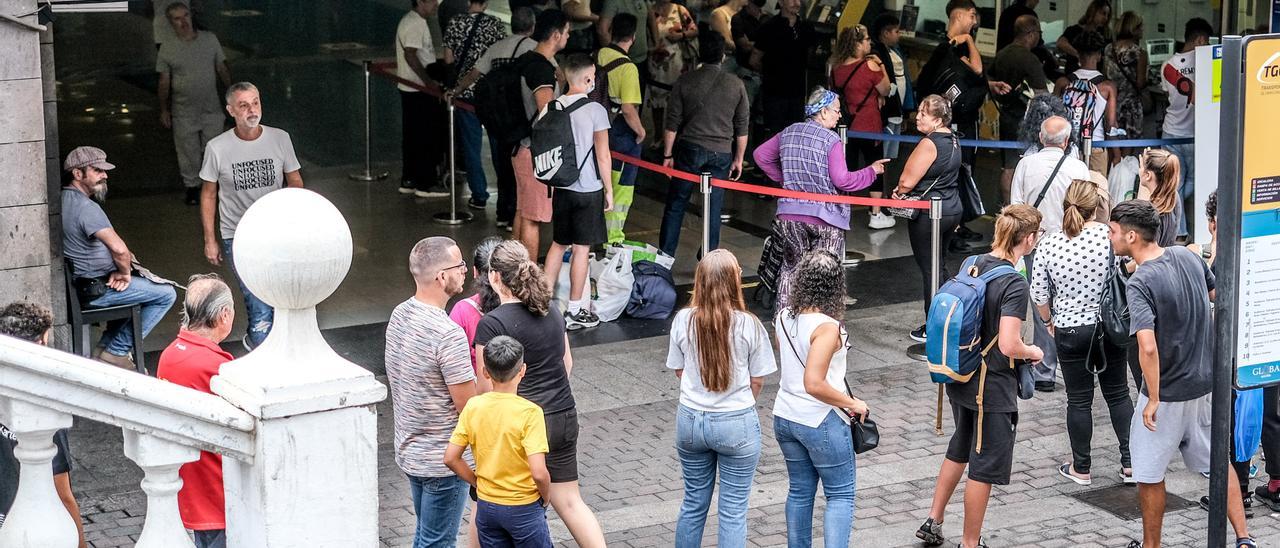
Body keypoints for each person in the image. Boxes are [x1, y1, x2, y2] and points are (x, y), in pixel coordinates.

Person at [1108, 200, 1255, 548]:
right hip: (1203, 385)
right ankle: (1244, 538)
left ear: (1131, 235)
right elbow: (1217, 294)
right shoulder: (1187, 256)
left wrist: (1153, 397)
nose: (1109, 236)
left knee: (1147, 472)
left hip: (1168, 392)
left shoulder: (1141, 281)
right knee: (1218, 464)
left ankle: (1151, 545)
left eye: (1113, 231)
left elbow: (1146, 346)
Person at [916, 205, 1045, 548]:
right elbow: (1008, 343)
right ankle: (970, 543)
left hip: (961, 375)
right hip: (991, 385)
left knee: (960, 444)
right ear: (1028, 238)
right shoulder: (1014, 283)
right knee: (984, 462)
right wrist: (1034, 352)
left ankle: (934, 518)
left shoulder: (971, 264)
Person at [474, 241, 606, 548]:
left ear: (494, 277)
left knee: (489, 502)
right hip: (562, 415)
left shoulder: (492, 324)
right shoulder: (552, 311)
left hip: (520, 425)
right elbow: (567, 364)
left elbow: (485, 389)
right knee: (571, 502)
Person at [667, 250, 776, 548]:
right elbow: (758, 379)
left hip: (690, 420)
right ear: (734, 281)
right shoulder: (749, 324)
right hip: (736, 422)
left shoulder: (683, 319)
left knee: (693, 503)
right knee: (732, 511)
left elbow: (679, 369)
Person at [1030, 181, 1133, 486]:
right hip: (1108, 325)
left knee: (1078, 399)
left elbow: (1039, 293)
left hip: (1069, 328)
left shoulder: (1049, 243)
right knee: (1117, 394)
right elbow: (1128, 270)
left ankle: (1082, 467)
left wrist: (1048, 321)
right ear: (1096, 205)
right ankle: (1130, 464)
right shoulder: (1107, 236)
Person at [752, 89, 889, 311]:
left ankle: (785, 320)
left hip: (790, 215)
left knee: (790, 268)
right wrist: (871, 171)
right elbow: (842, 180)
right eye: (836, 110)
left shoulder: (789, 132)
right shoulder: (831, 140)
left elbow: (760, 156)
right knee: (826, 272)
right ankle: (823, 322)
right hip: (826, 218)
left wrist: (783, 178)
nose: (840, 115)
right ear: (823, 112)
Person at [384, 236, 479, 548]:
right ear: (442, 277)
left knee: (426, 537)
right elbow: (469, 407)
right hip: (444, 461)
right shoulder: (448, 334)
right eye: (459, 265)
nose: (465, 270)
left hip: (411, 451)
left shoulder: (399, 315)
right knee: (437, 543)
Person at [773, 250, 870, 548]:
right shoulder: (828, 329)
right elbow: (814, 383)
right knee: (840, 494)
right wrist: (853, 404)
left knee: (800, 492)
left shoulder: (783, 318)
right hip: (820, 420)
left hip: (786, 416)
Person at [199, 82, 303, 351]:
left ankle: (272, 347)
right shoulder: (217, 147)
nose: (251, 109)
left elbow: (295, 181)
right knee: (257, 301)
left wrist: (293, 219)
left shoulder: (280, 138)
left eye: (255, 102)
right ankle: (261, 346)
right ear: (230, 110)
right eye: (243, 105)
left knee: (281, 294)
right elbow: (209, 194)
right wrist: (210, 239)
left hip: (276, 232)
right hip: (238, 234)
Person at [62, 146, 177, 370]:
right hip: (95, 289)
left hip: (85, 286)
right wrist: (124, 273)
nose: (105, 176)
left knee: (140, 291)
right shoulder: (86, 208)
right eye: (97, 170)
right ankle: (116, 352)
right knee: (165, 294)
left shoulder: (63, 200)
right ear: (77, 174)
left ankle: (103, 349)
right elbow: (120, 250)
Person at [444, 337, 553, 548]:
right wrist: (546, 497)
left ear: (485, 372)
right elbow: (539, 472)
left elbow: (450, 458)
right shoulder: (530, 413)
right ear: (522, 370)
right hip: (524, 506)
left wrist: (478, 483)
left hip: (487, 507)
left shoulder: (474, 406)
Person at [156, 274, 237, 548]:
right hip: (217, 490)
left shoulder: (169, 355)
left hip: (191, 484)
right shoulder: (217, 366)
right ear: (224, 315)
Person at [0, 302, 87, 547]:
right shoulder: (43, 408)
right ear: (40, 344)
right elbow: (63, 493)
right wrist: (81, 543)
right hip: (32, 526)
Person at [539, 54, 615, 331]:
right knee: (581, 249)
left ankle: (542, 305)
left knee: (558, 244)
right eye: (593, 75)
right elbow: (603, 155)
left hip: (561, 186)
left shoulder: (551, 107)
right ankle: (574, 311)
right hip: (587, 189)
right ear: (585, 79)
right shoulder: (596, 110)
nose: (595, 79)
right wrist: (609, 190)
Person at [659, 33, 750, 257]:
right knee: (713, 207)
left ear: (700, 53)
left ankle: (666, 255)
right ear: (722, 55)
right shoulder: (736, 85)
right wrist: (738, 159)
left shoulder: (685, 81)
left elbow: (672, 123)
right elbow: (742, 127)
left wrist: (667, 155)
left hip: (689, 149)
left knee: (676, 203)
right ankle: (708, 255)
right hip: (721, 153)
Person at [452, 7, 538, 231]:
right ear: (532, 26)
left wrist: (456, 90)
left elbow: (474, 73)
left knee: (503, 163)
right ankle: (517, 214)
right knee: (521, 167)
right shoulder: (534, 49)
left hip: (500, 117)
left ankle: (503, 212)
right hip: (524, 118)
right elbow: (554, 76)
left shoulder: (497, 48)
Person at [889, 96, 962, 342]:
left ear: (938, 119)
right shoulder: (953, 139)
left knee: (930, 269)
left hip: (930, 213)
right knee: (939, 266)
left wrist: (899, 193)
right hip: (951, 209)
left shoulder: (929, 143)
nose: (917, 116)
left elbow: (906, 182)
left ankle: (936, 326)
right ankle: (949, 318)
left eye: (924, 112)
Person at [156, 1, 232, 206]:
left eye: (185, 16)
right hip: (183, 109)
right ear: (170, 22)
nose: (183, 22)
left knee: (214, 147)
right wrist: (164, 109)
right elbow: (164, 81)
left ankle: (213, 185)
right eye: (177, 18)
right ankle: (192, 186)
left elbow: (221, 68)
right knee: (187, 149)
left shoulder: (209, 40)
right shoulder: (168, 48)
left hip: (211, 107)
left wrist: (233, 95)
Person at [512, 10, 571, 259]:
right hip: (535, 152)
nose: (568, 37)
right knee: (534, 217)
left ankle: (510, 268)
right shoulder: (541, 70)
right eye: (567, 32)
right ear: (556, 35)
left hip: (521, 146)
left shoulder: (528, 60)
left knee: (523, 211)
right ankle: (527, 276)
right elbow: (547, 114)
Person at [443, 0, 507, 210]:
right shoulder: (496, 24)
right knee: (498, 146)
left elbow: (448, 59)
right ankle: (505, 194)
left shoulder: (455, 23)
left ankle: (479, 194)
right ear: (486, 3)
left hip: (465, 92)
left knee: (471, 147)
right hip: (490, 94)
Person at [829, 25, 892, 228]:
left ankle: (841, 208)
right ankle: (875, 213)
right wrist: (881, 63)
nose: (869, 42)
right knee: (876, 166)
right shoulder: (870, 66)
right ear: (857, 43)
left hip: (846, 127)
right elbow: (887, 88)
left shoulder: (836, 67)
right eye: (865, 39)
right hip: (870, 125)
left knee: (846, 167)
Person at [990, 15, 1051, 204]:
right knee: (1026, 166)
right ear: (1031, 34)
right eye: (1038, 33)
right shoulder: (1030, 60)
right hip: (1027, 120)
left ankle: (1006, 208)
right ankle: (1021, 209)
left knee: (1008, 167)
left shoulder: (1002, 54)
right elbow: (1042, 95)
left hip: (1005, 115)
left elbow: (989, 80)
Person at [1160, 17, 1212, 239]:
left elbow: (1166, 94)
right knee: (1193, 181)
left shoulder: (1168, 65)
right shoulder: (1206, 63)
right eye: (1207, 41)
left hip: (1171, 131)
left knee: (1175, 184)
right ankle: (1192, 229)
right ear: (1200, 39)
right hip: (1196, 134)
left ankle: (1180, 232)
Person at [596, 13, 645, 244]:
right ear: (633, 37)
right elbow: (628, 109)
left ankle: (595, 233)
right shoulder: (628, 68)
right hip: (621, 134)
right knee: (621, 189)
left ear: (611, 31)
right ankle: (613, 238)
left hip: (597, 128)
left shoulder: (599, 54)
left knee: (600, 182)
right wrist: (641, 132)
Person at [395, 0, 450, 198]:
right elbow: (411, 55)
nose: (436, 4)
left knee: (412, 137)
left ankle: (409, 179)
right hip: (418, 90)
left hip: (409, 88)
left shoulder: (410, 20)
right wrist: (428, 83)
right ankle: (425, 183)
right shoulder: (416, 23)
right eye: (432, 1)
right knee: (426, 136)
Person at [1010, 116, 1090, 236]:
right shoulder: (1079, 167)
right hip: (1067, 238)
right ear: (1066, 140)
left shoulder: (1025, 164)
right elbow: (1087, 207)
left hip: (1032, 239)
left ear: (1041, 137)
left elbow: (1016, 204)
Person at [750, 0, 817, 138]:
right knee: (775, 134)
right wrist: (770, 73)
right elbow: (754, 59)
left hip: (797, 92)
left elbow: (810, 55)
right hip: (774, 92)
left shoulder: (807, 27)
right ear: (781, 2)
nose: (796, 3)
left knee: (795, 133)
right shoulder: (768, 27)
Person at [1057, 30, 1119, 175]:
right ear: (1099, 55)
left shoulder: (1063, 83)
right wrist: (1116, 154)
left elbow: (1055, 118)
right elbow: (1110, 125)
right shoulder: (1108, 87)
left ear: (1078, 54)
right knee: (1096, 192)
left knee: (1070, 191)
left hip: (1068, 145)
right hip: (1095, 146)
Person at [449, 236, 504, 377]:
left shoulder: (462, 311)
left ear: (475, 272)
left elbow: (453, 368)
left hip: (476, 394)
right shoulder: (529, 305)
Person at [647, 0, 698, 143]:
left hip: (678, 62)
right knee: (657, 100)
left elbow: (695, 30)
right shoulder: (649, 10)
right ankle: (658, 137)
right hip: (656, 62)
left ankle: (676, 136)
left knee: (678, 101)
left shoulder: (680, 10)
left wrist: (681, 36)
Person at [1103, 12, 1147, 142]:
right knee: (1129, 143)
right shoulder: (1140, 53)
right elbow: (1140, 83)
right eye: (1140, 27)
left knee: (1112, 138)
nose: (1142, 30)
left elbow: (1105, 76)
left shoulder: (1109, 49)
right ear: (1134, 29)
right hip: (1131, 105)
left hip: (1112, 102)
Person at [870, 13, 915, 130]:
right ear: (886, 33)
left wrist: (905, 111)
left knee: (894, 143)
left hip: (898, 107)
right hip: (888, 107)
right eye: (896, 31)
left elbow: (906, 81)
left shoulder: (896, 51)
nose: (899, 35)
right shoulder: (877, 54)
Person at [1136, 147, 1182, 247]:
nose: (1139, 170)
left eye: (1142, 168)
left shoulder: (1149, 211)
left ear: (1148, 175)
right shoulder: (1173, 197)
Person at [598, 0, 650, 85]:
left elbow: (650, 17)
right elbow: (602, 30)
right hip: (622, 62)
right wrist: (614, 57)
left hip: (642, 57)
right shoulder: (612, 2)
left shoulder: (643, 1)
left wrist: (656, 40)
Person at [1056, 0, 1112, 75]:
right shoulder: (1074, 30)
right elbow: (1061, 43)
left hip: (1095, 77)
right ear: (1093, 12)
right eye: (1103, 13)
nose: (1105, 18)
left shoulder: (1105, 34)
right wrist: (1079, 55)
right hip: (1074, 74)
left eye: (1108, 15)